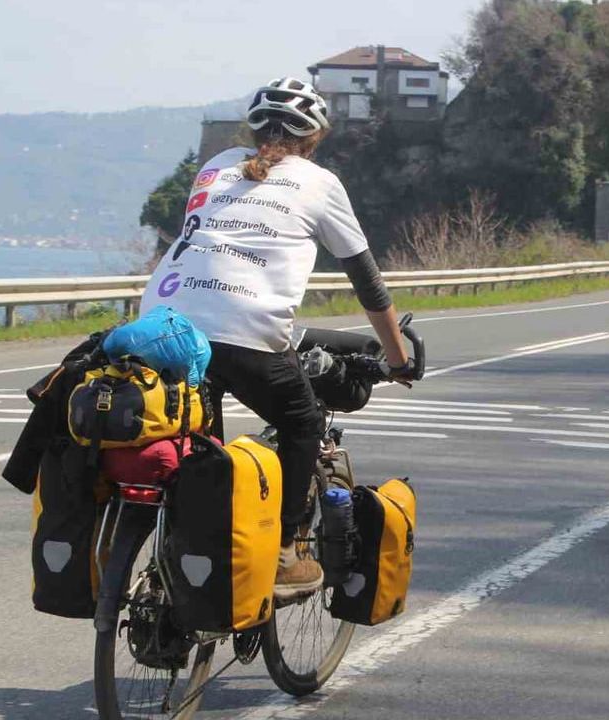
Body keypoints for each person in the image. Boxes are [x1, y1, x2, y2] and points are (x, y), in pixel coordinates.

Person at [139, 77, 416, 600]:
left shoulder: (215, 166)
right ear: (315, 139)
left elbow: (208, 252)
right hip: (242, 330)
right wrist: (397, 359)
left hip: (161, 325)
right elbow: (368, 283)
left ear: (253, 128)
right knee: (302, 422)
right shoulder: (320, 183)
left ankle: (181, 548)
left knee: (200, 443)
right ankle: (287, 548)